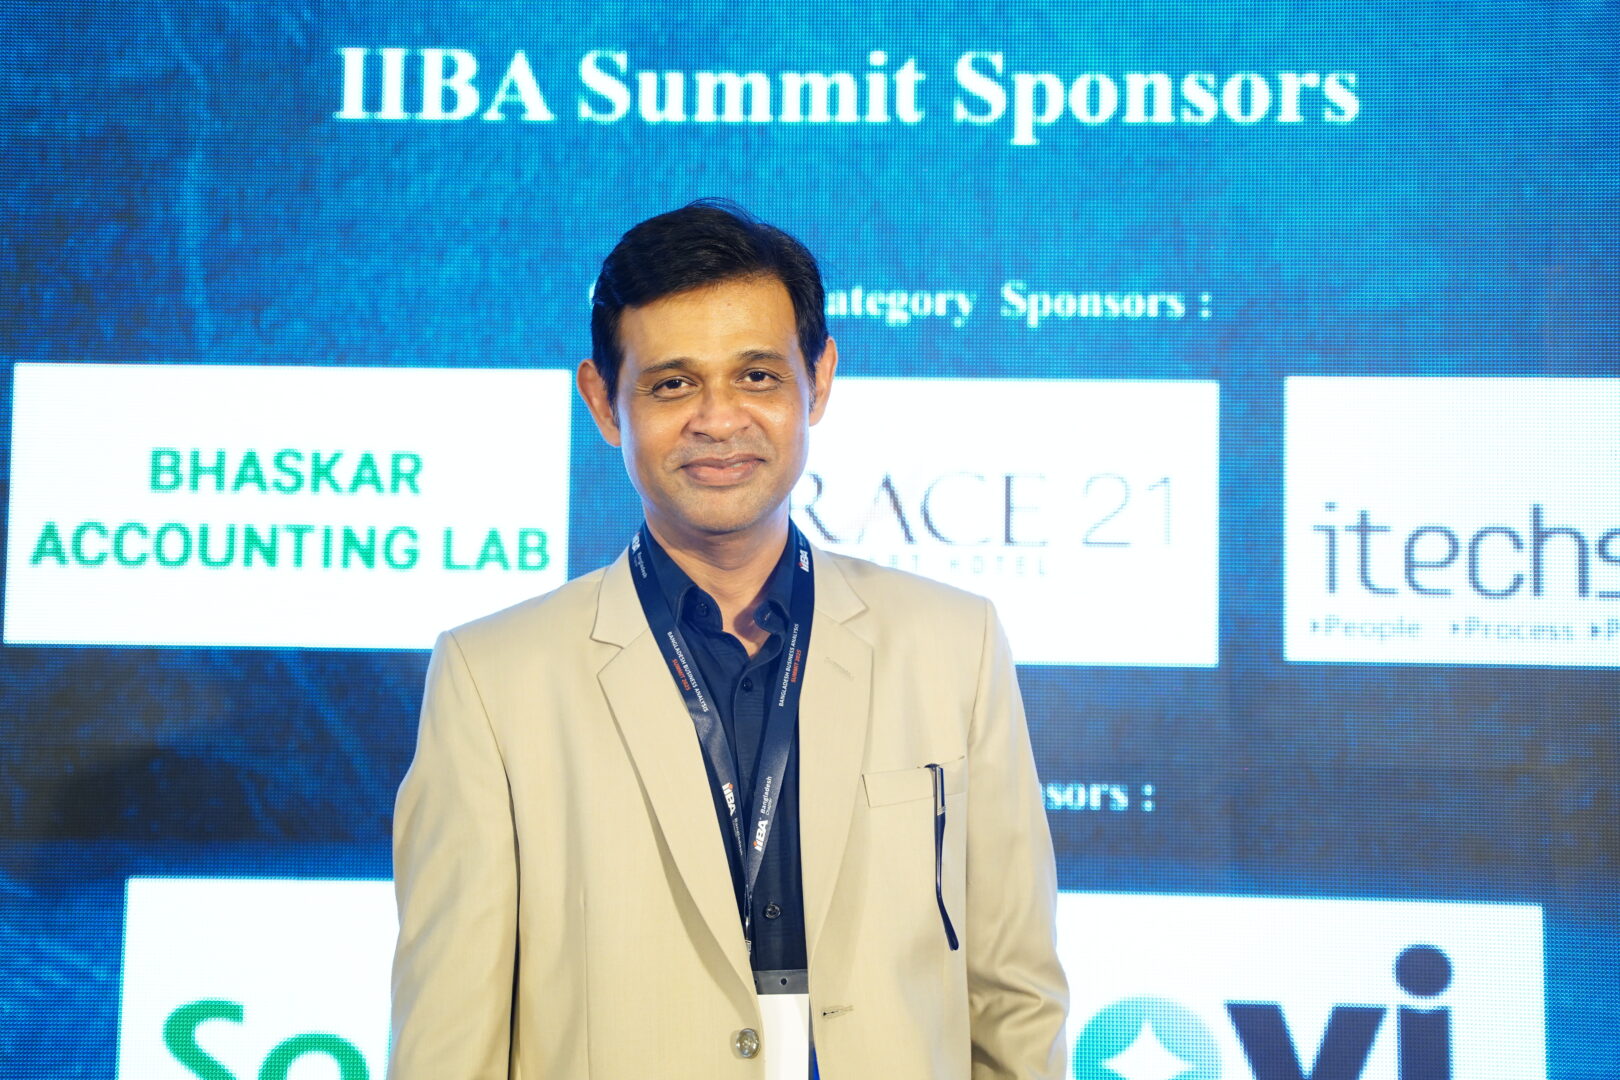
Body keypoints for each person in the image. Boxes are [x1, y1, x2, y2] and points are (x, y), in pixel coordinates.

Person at [387, 200, 1068, 1079]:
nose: (718, 419)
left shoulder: (951, 644)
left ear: (818, 380)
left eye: (756, 376)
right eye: (672, 384)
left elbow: (1013, 996)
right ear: (603, 401)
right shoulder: (494, 678)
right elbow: (449, 1037)